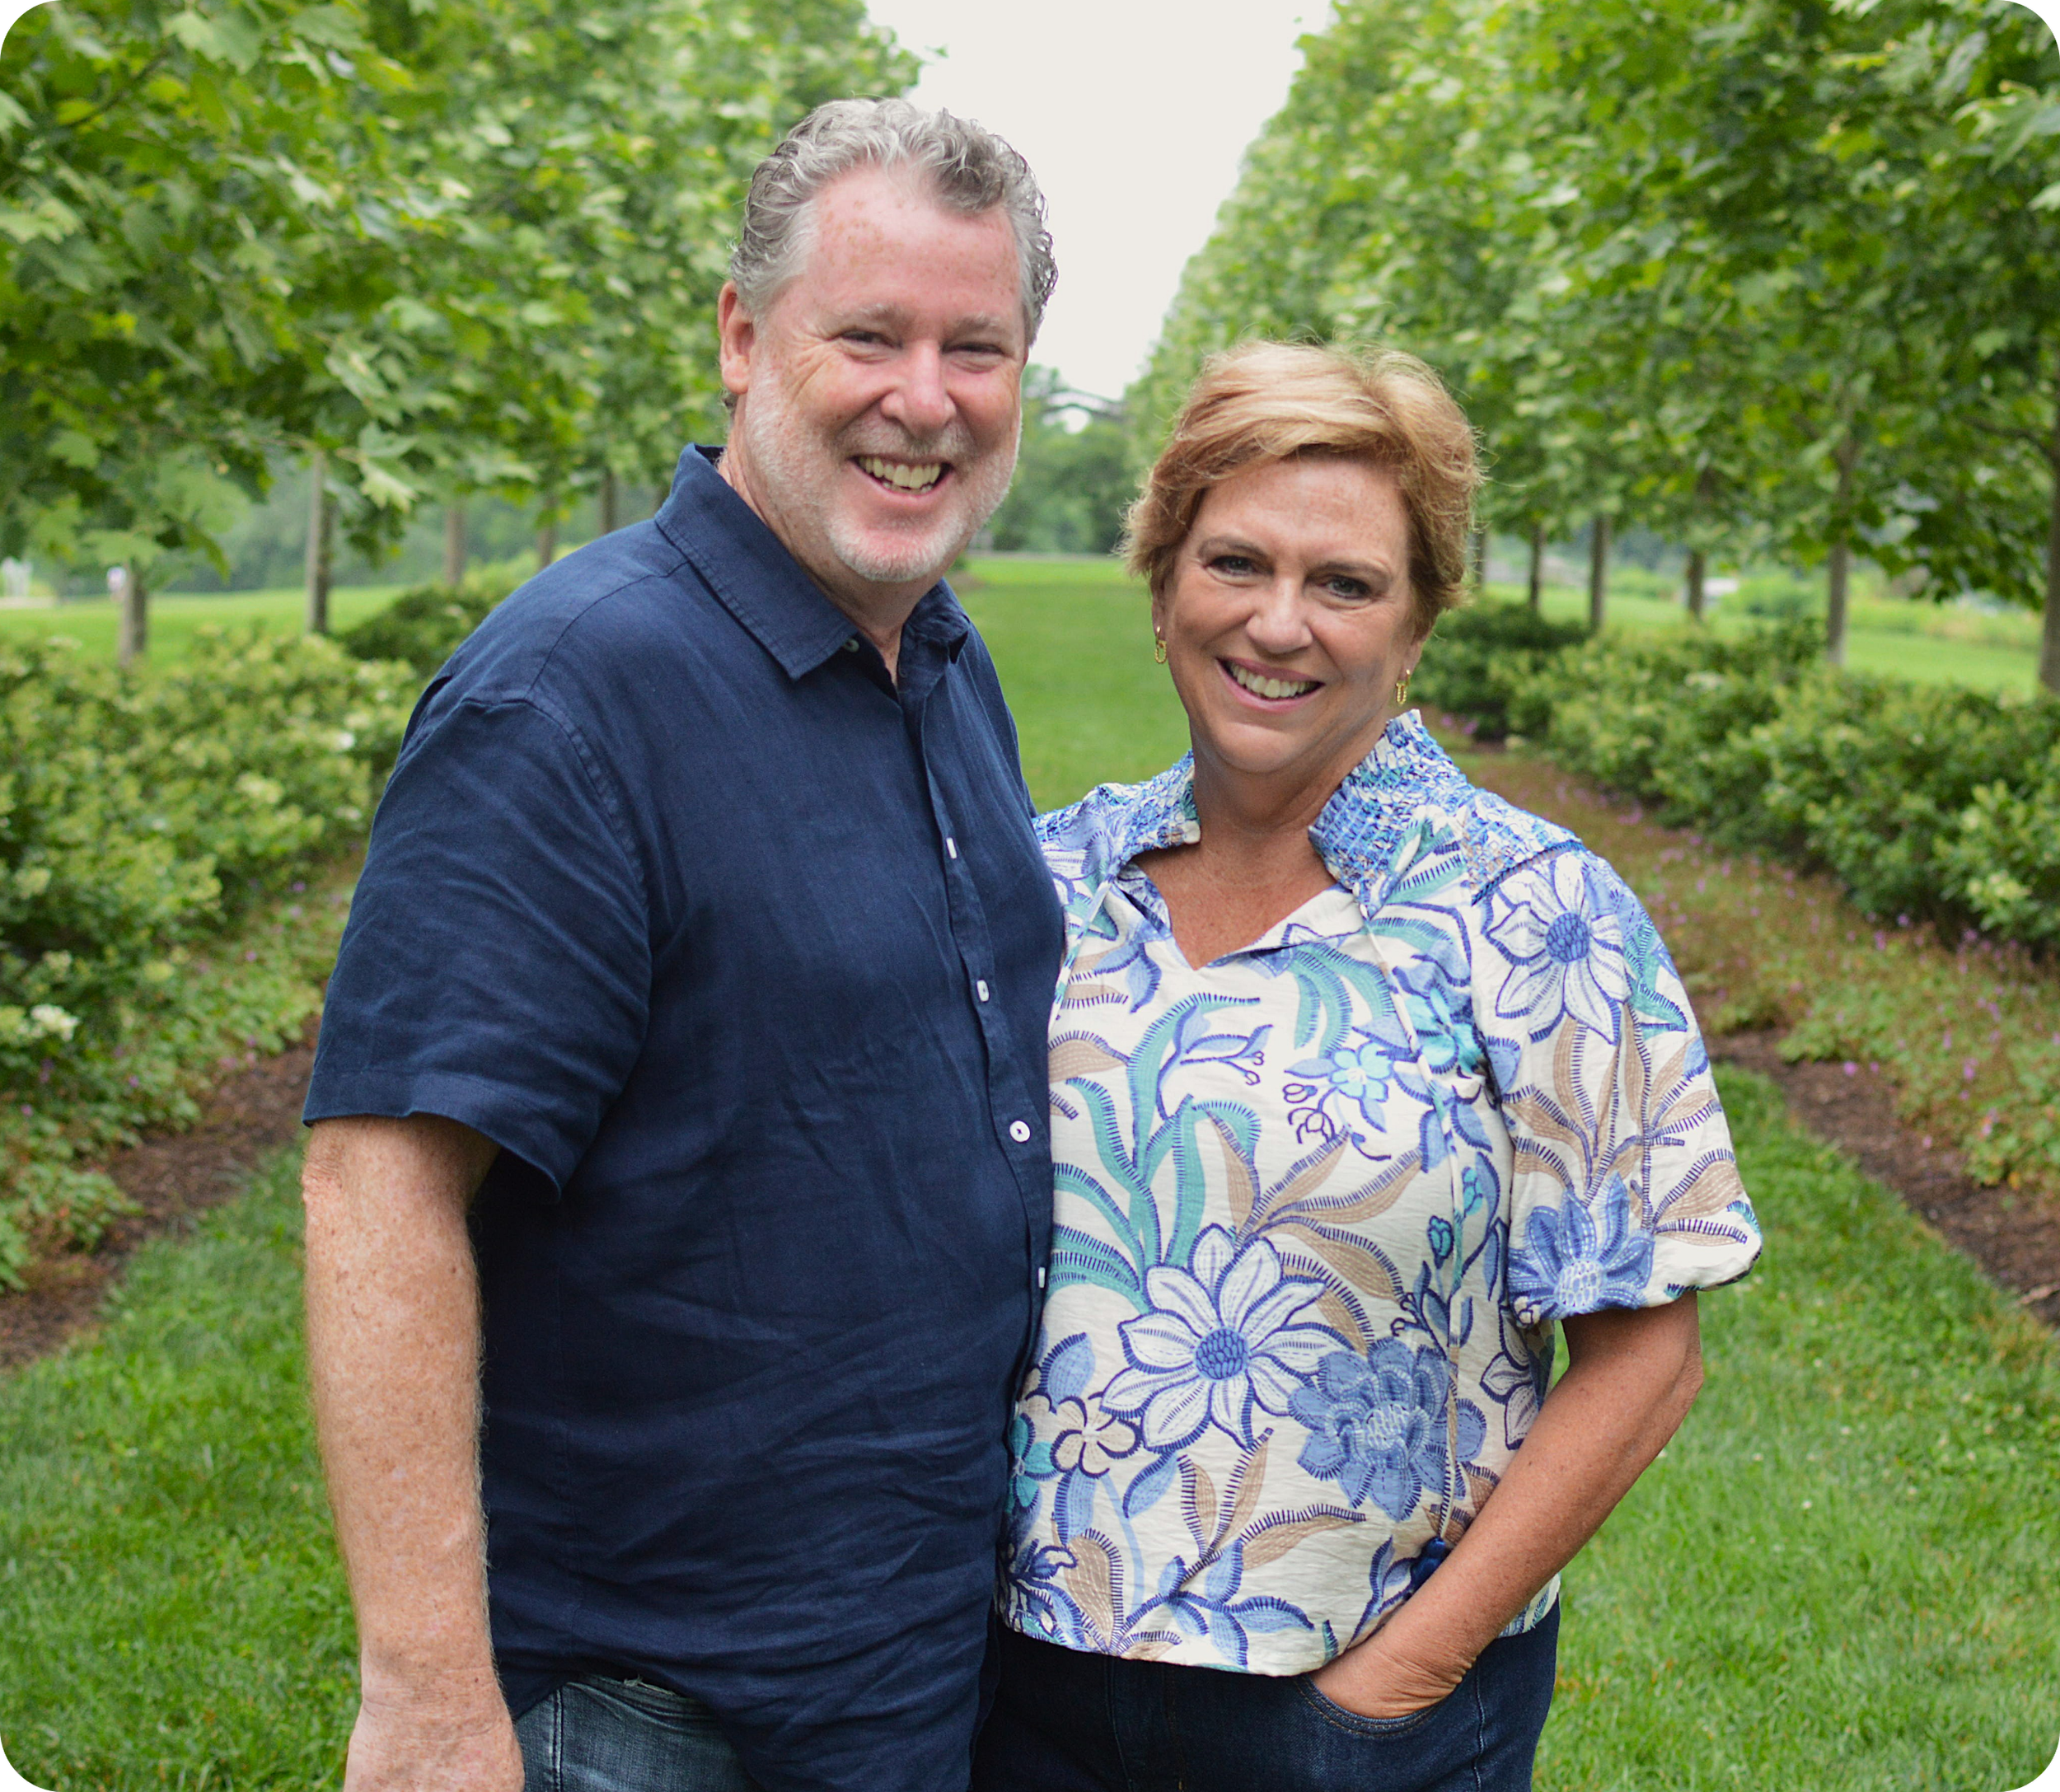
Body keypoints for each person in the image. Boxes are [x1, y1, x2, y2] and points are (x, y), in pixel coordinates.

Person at [300, 100, 1064, 1792]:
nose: (922, 399)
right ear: (739, 336)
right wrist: (428, 1700)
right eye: (865, 334)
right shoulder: (571, 696)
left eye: (976, 347)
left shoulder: (938, 663)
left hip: (912, 1635)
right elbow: (379, 1181)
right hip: (660, 1704)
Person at [974, 343, 1764, 1792]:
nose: (1280, 624)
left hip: (1358, 1714)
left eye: (1345, 584)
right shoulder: (1048, 877)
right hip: (1016, 1692)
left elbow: (1650, 1355)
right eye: (1234, 562)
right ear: (1161, 589)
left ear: (1414, 632)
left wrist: (1392, 1688)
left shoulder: (1535, 913)